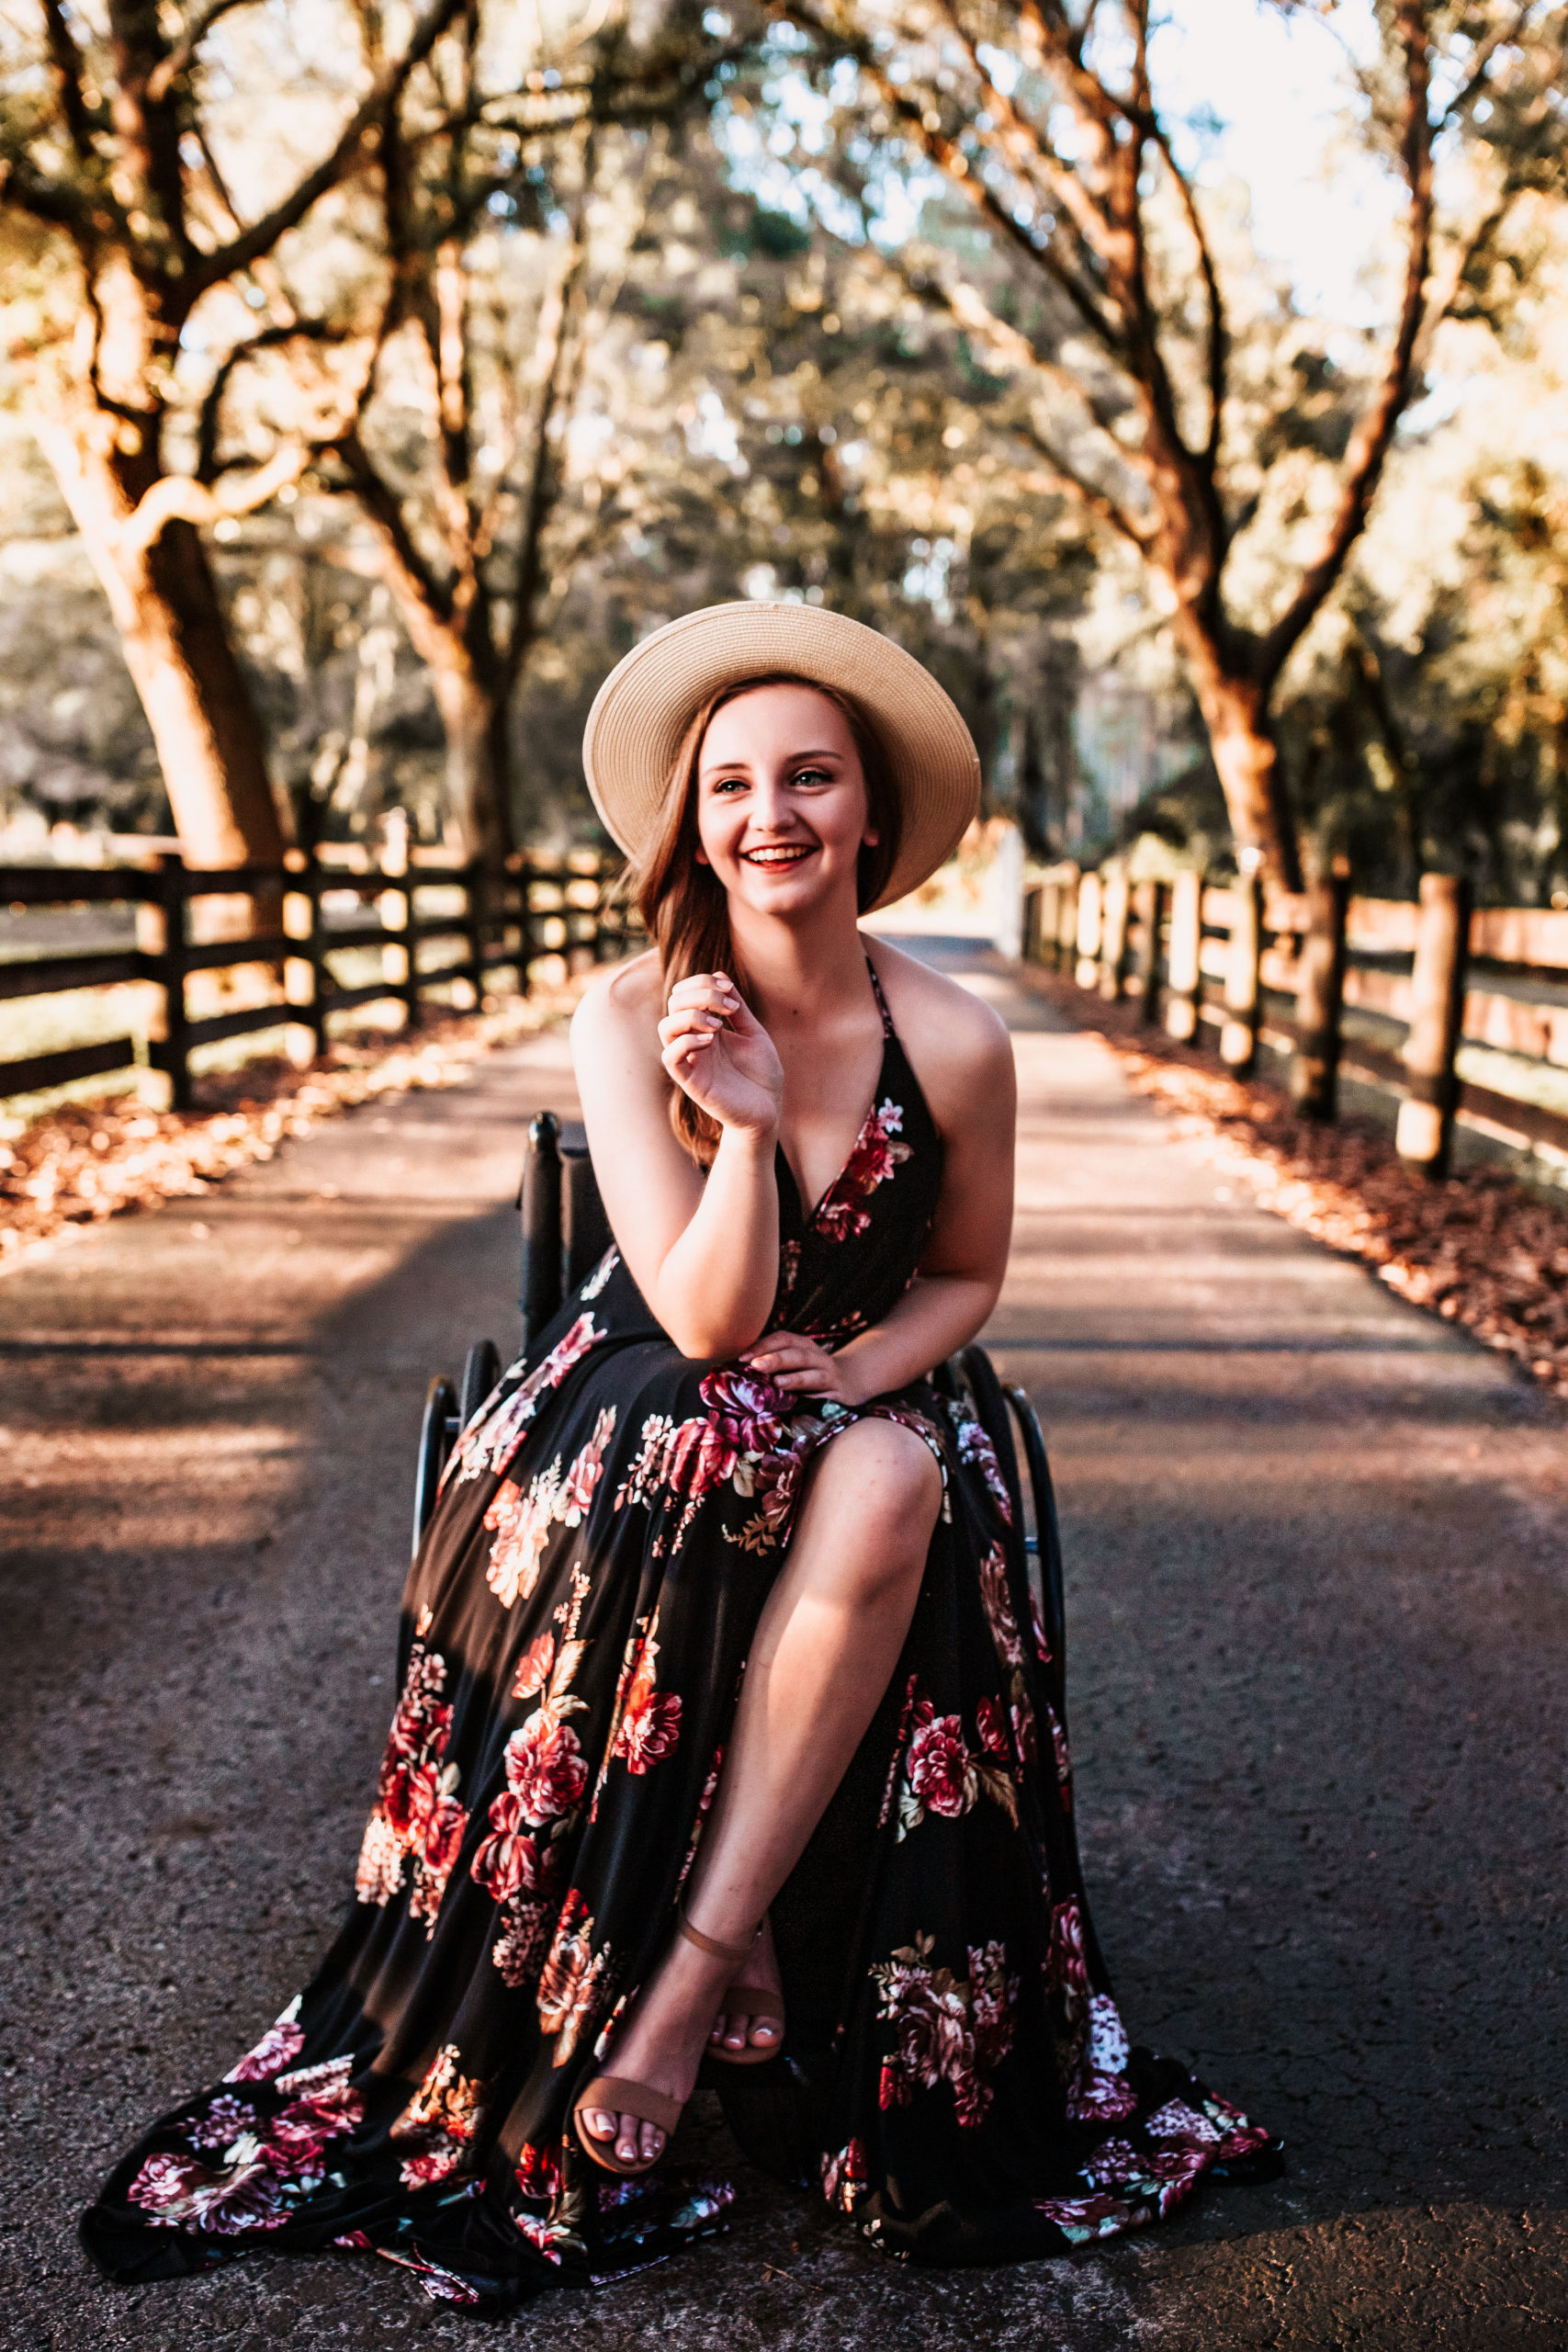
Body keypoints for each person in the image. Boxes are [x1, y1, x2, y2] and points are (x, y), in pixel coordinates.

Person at [81, 605, 1278, 2314]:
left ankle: (693, 1977)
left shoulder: (955, 1040)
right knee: (726, 1440)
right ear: (690, 818)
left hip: (860, 1385)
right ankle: (747, 1940)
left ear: (871, 812)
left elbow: (966, 1275)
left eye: (810, 776)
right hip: (654, 1386)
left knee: (885, 1474)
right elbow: (709, 1322)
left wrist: (859, 1366)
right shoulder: (634, 1007)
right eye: (732, 783)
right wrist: (733, 1111)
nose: (769, 814)